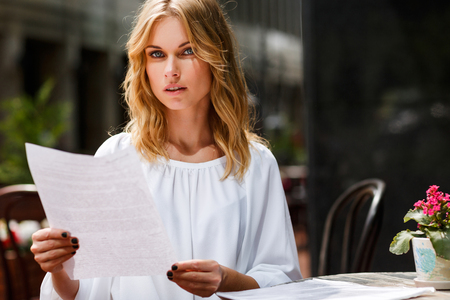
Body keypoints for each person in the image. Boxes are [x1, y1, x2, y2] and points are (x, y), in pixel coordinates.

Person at [30, 0, 302, 299]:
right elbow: (85, 291)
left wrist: (226, 280)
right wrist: (57, 267)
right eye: (157, 54)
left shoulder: (255, 163)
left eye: (188, 51)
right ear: (143, 65)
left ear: (216, 56)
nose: (170, 71)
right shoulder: (117, 157)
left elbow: (282, 282)